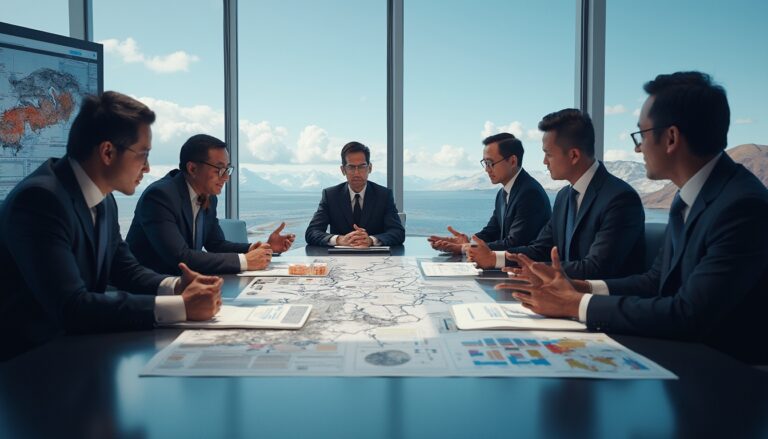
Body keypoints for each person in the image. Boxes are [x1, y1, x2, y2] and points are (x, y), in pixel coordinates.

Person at [501, 72, 768, 364]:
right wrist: (580, 286)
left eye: (641, 135)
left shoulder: (742, 207)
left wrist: (577, 304)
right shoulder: (687, 197)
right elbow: (656, 282)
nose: (637, 148)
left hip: (726, 374)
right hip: (680, 355)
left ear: (671, 138)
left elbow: (689, 314)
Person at [0, 91, 223, 360]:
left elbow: (126, 270)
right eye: (143, 155)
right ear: (107, 152)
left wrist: (177, 285)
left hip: (79, 352)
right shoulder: (40, 200)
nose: (148, 167)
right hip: (29, 365)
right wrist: (180, 307)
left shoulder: (104, 199)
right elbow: (71, 306)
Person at [468, 109, 645, 280]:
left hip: (598, 304)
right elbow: (540, 249)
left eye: (548, 154)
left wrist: (535, 270)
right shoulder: (564, 197)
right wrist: (494, 258)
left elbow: (596, 268)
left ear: (574, 155)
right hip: (563, 295)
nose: (544, 161)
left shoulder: (619, 198)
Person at [126, 134, 293, 275]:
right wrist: (244, 261)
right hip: (147, 291)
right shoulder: (160, 196)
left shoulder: (209, 196)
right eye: (219, 169)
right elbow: (180, 257)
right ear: (192, 168)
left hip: (184, 283)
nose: (226, 177)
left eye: (227, 169)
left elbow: (216, 244)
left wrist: (259, 248)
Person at [428, 133, 551, 254]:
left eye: (490, 163)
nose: (487, 169)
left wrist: (464, 248)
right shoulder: (503, 193)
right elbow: (491, 232)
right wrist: (468, 241)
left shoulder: (529, 193)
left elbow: (515, 243)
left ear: (513, 161)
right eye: (485, 163)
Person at [305, 141, 405, 247]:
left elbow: (398, 232)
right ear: (343, 170)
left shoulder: (384, 195)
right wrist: (339, 239)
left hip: (375, 257)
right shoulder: (331, 196)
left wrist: (371, 240)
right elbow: (312, 232)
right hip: (340, 259)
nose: (357, 173)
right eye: (351, 167)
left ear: (369, 168)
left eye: (362, 167)